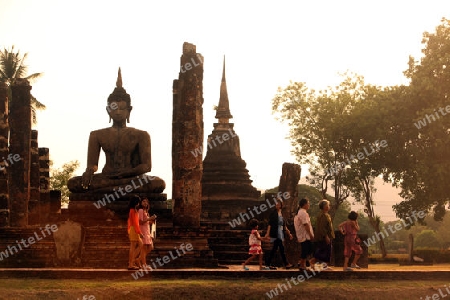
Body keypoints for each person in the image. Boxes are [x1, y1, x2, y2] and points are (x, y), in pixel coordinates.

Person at [67, 68, 165, 194]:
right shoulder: (97, 135)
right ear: (108, 110)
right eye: (114, 108)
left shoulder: (141, 135)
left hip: (131, 178)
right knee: (73, 183)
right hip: (106, 177)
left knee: (158, 183)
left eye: (122, 108)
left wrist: (127, 173)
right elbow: (93, 164)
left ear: (129, 110)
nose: (118, 112)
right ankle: (119, 192)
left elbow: (146, 166)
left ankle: (109, 192)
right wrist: (89, 171)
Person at [264, 198, 294, 270]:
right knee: (281, 248)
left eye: (279, 204)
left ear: (281, 205)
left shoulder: (281, 214)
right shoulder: (273, 213)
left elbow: (284, 225)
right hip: (275, 233)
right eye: (276, 204)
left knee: (275, 249)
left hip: (280, 233)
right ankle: (286, 263)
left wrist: (289, 233)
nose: (277, 205)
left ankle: (268, 264)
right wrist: (267, 233)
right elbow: (270, 224)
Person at [294, 198, 316, 271]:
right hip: (305, 235)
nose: (308, 205)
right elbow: (306, 225)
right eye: (308, 203)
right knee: (306, 249)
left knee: (307, 249)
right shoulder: (303, 213)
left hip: (302, 235)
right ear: (304, 204)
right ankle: (302, 264)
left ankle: (302, 263)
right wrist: (310, 235)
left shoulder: (300, 212)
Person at [313, 199, 335, 270]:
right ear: (324, 206)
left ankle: (324, 266)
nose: (329, 206)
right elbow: (322, 227)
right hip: (324, 236)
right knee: (324, 250)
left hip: (326, 235)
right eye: (328, 205)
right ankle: (312, 261)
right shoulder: (323, 215)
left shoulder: (325, 215)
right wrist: (326, 236)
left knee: (326, 251)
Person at [138, 197, 156, 269]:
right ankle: (144, 264)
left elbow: (146, 222)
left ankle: (138, 260)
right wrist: (149, 218)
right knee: (144, 248)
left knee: (150, 247)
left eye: (146, 202)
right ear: (141, 203)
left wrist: (151, 221)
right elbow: (140, 222)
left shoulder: (146, 211)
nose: (145, 203)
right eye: (143, 201)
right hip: (143, 231)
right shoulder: (141, 210)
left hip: (147, 230)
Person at [127, 195, 143, 270]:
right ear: (135, 202)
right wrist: (139, 232)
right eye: (138, 202)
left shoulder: (134, 210)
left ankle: (132, 261)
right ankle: (130, 264)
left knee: (141, 244)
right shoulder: (132, 211)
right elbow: (135, 223)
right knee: (133, 246)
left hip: (134, 229)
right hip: (134, 229)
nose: (139, 204)